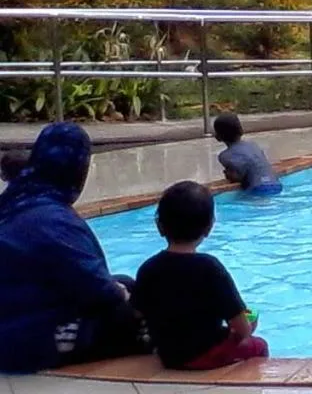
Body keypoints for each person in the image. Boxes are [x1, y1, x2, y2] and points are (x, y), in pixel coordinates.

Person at [0, 123, 150, 373]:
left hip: (16, 313)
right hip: (21, 339)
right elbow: (100, 288)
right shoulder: (53, 219)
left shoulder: (16, 200)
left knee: (126, 284)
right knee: (134, 314)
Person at [133, 181, 268, 370]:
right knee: (259, 345)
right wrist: (249, 324)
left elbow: (138, 312)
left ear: (159, 225)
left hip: (169, 354)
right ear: (209, 227)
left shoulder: (148, 268)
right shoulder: (210, 268)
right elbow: (241, 328)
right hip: (205, 354)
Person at [213, 114, 282, 196]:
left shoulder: (225, 156)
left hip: (256, 189)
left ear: (218, 137)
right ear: (241, 130)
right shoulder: (253, 145)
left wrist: (229, 175)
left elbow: (237, 177)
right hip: (277, 185)